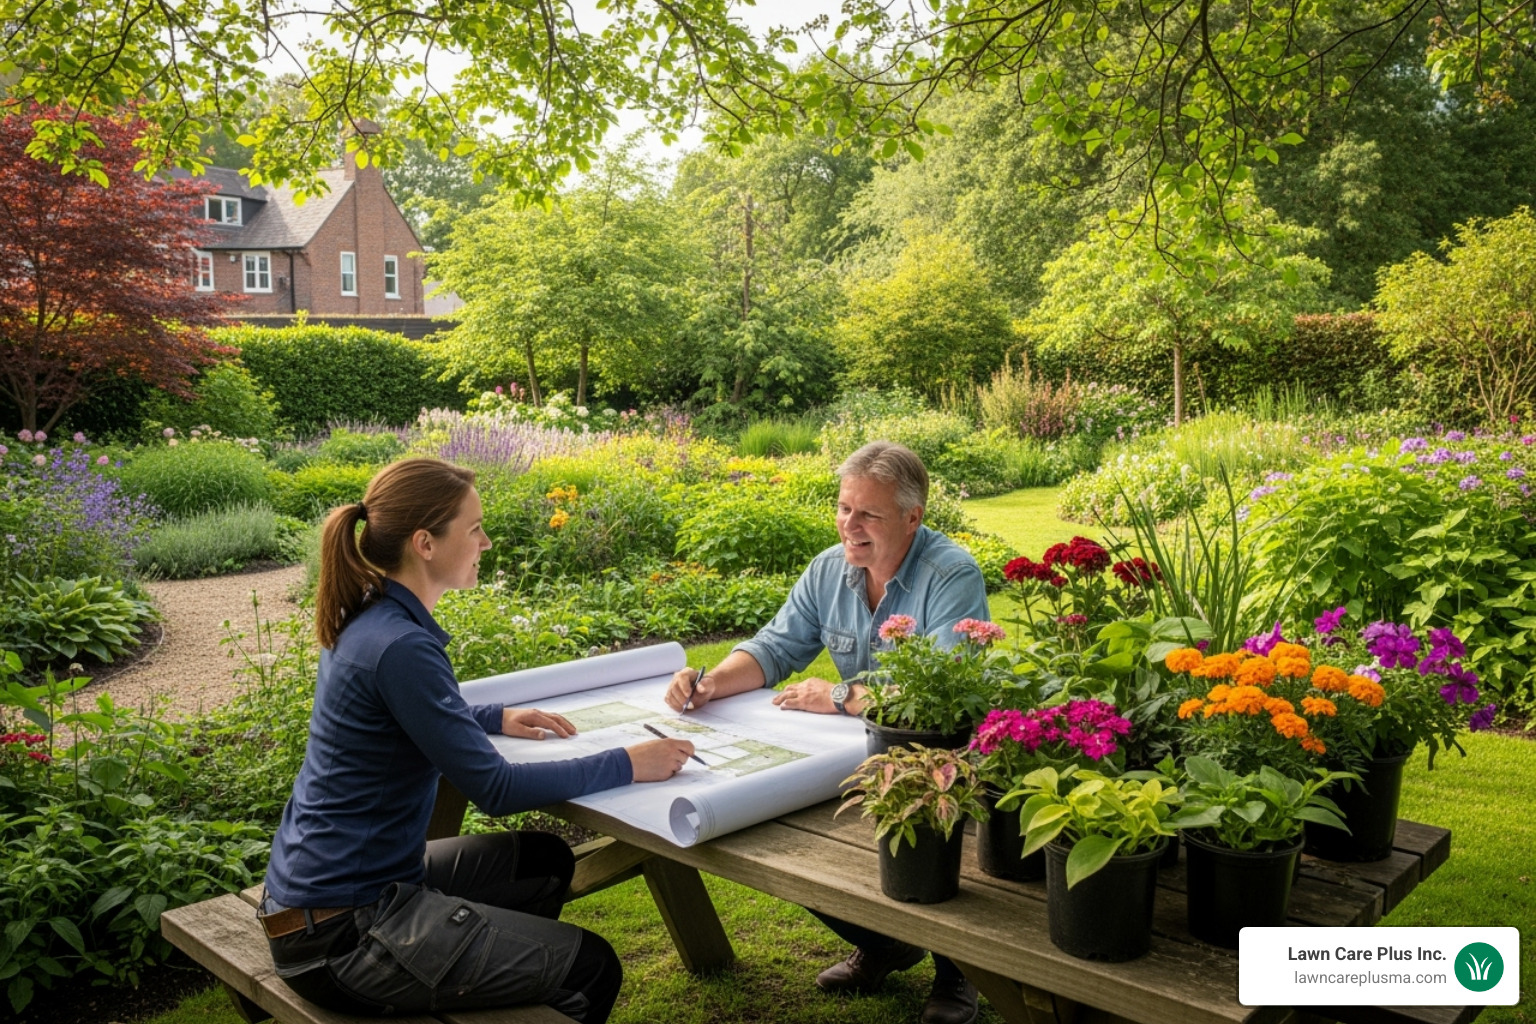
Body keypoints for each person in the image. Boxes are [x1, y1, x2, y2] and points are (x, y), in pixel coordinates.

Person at [261, 458, 694, 1022]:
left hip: (320, 899)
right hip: (344, 934)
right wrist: (628, 763)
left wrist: (494, 716)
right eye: (474, 529)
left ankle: (481, 980)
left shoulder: (371, 619)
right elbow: (496, 788)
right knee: (592, 967)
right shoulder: (402, 646)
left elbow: (401, 711)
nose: (486, 543)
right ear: (425, 544)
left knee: (542, 861)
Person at [662, 440, 990, 1024]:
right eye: (843, 508)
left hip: (945, 762)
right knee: (782, 839)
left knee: (936, 845)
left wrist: (840, 696)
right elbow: (774, 647)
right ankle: (886, 945)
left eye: (869, 514)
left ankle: (957, 972)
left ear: (912, 518)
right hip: (860, 756)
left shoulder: (951, 575)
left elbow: (944, 693)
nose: (849, 525)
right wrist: (711, 683)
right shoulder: (827, 570)